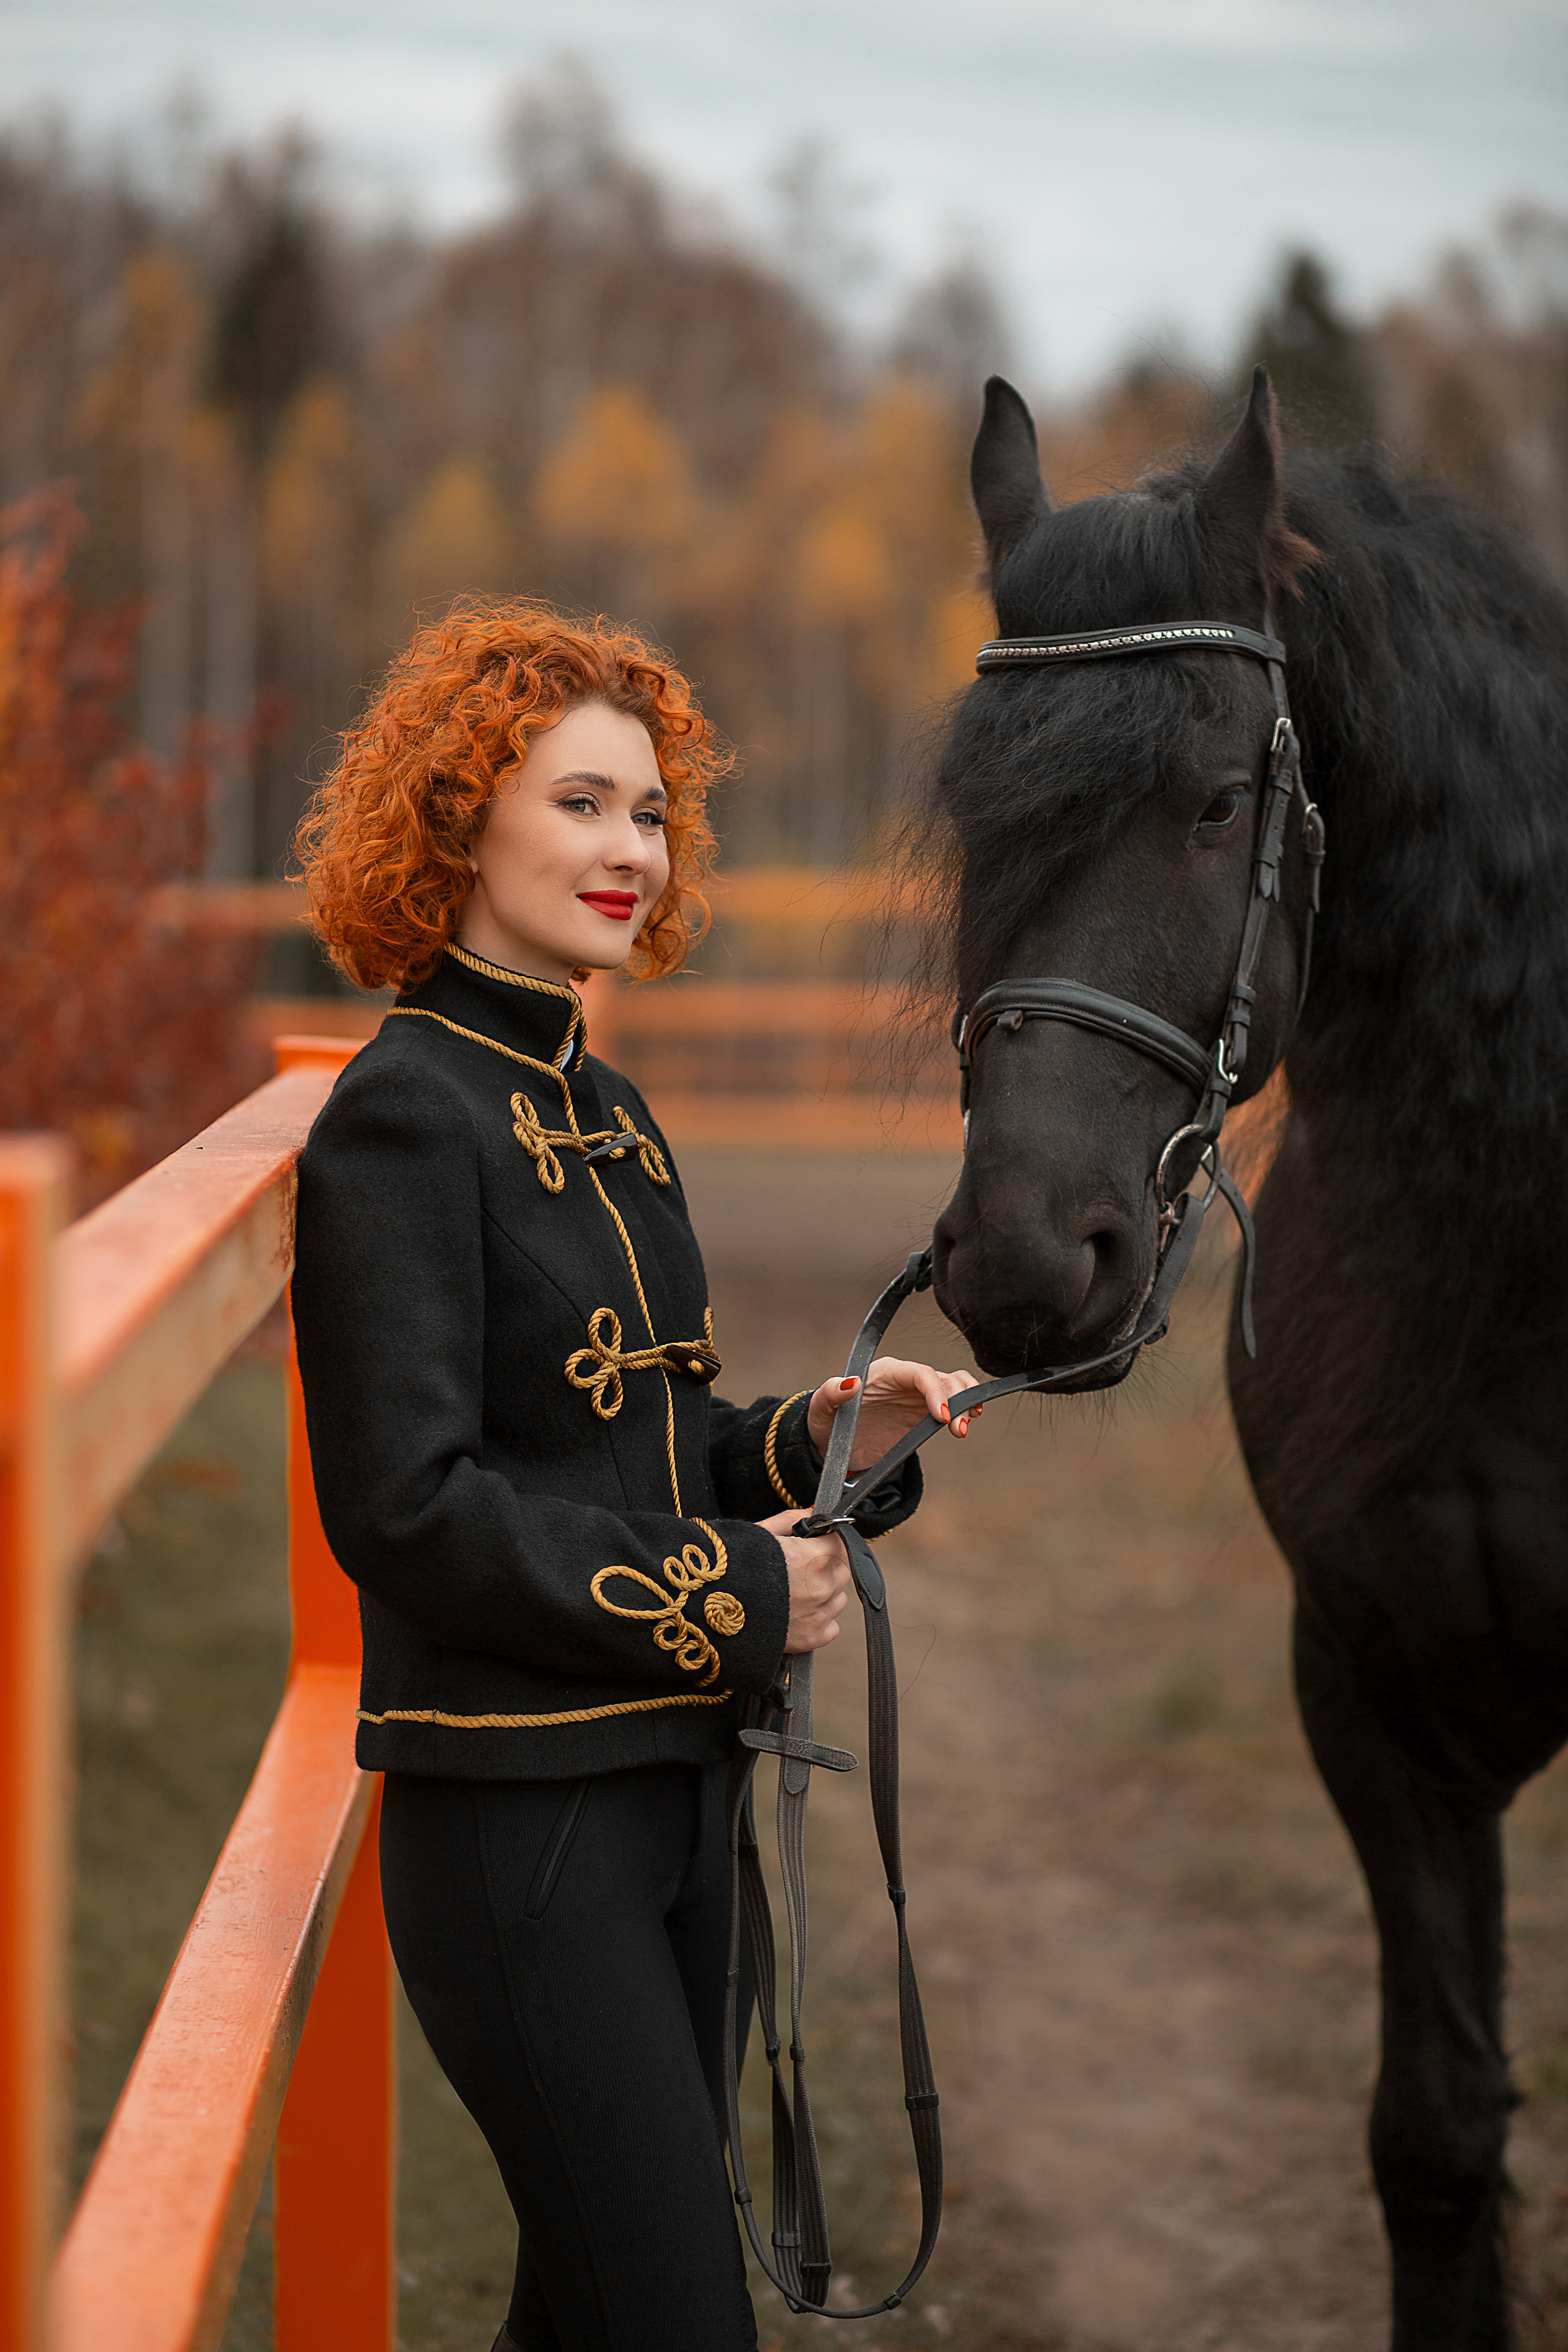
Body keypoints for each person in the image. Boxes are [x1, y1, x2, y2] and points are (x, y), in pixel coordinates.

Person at [290, 602, 978, 2352]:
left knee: (593, 2309)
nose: (628, 849)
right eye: (581, 802)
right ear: (460, 818)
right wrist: (743, 1594)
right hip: (526, 1828)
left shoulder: (608, 1106)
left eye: (652, 811)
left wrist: (821, 1437)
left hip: (683, 1800)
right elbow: (408, 1508)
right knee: (677, 2318)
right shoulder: (404, 1117)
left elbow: (636, 1442)